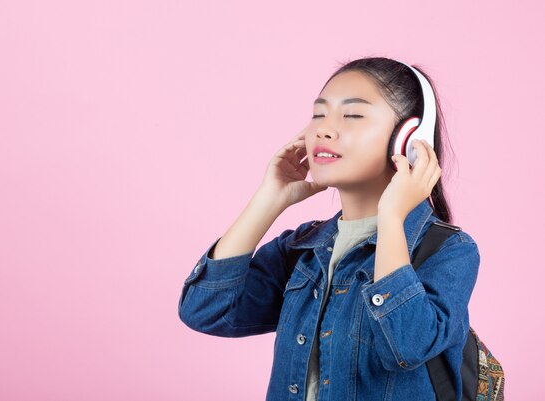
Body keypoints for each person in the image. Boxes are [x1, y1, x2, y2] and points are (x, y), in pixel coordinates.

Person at [177, 56, 480, 401]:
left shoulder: (448, 251)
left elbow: (407, 346)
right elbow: (205, 310)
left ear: (408, 139)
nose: (322, 129)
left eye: (352, 115)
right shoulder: (302, 249)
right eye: (318, 114)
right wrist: (269, 199)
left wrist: (392, 218)